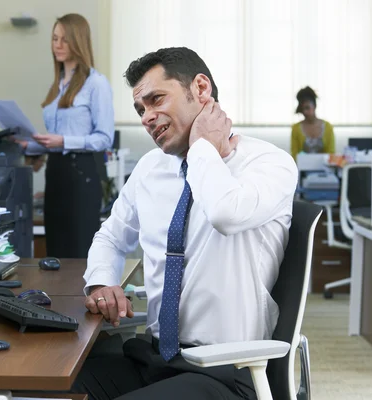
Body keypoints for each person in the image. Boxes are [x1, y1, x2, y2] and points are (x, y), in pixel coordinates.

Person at [73, 47, 298, 400]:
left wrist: (202, 149)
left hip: (226, 370)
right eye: (140, 109)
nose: (147, 117)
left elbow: (226, 213)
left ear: (201, 89)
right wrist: (101, 281)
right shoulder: (150, 168)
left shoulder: (270, 163)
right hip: (153, 357)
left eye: (156, 99)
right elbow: (111, 237)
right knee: (52, 387)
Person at [16, 13, 115, 258]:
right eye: (54, 38)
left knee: (78, 250)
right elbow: (54, 141)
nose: (57, 45)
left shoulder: (96, 83)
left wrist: (63, 141)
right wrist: (29, 146)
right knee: (56, 252)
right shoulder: (57, 84)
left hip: (81, 175)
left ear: (79, 42)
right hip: (56, 173)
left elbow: (104, 138)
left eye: (65, 39)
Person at [291, 86, 335, 160]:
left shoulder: (328, 127)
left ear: (314, 106)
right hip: (303, 170)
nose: (305, 112)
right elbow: (295, 155)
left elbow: (331, 154)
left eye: (307, 108)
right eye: (302, 109)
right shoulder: (296, 128)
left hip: (324, 170)